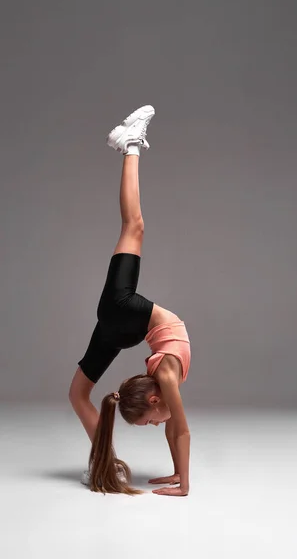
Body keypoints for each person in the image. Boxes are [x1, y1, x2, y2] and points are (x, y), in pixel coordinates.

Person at [68, 105, 191, 497]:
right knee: (77, 395)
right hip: (118, 325)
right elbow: (178, 426)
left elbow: (178, 427)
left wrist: (181, 480)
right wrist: (180, 480)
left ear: (153, 398)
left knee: (133, 226)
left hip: (123, 315)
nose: (158, 425)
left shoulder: (166, 380)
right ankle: (106, 465)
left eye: (149, 422)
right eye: (152, 423)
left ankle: (131, 145)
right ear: (155, 400)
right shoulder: (165, 379)